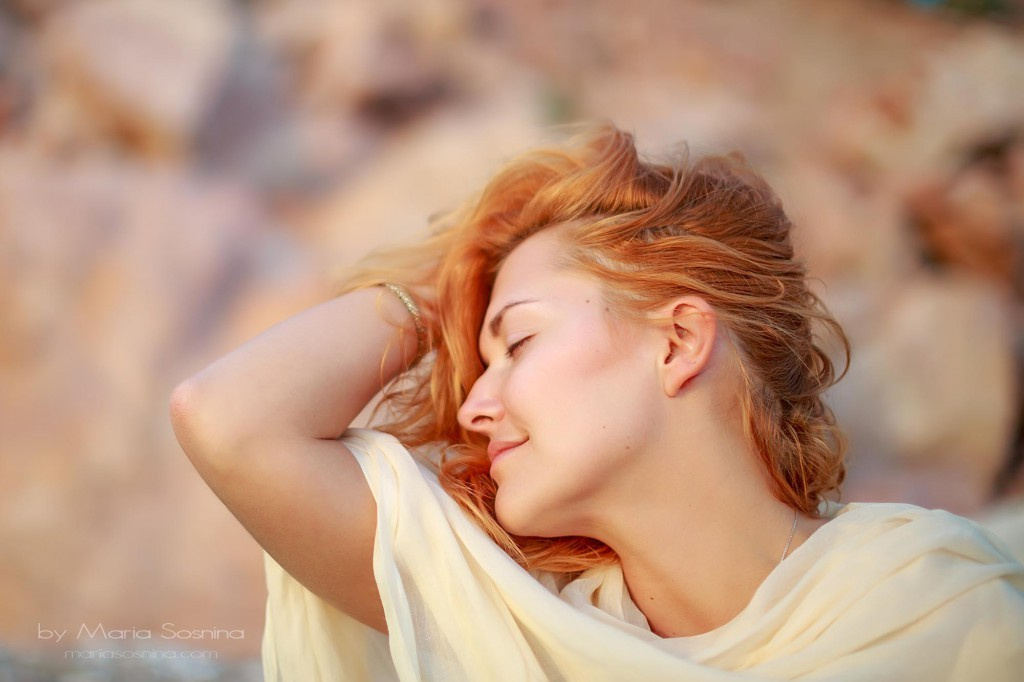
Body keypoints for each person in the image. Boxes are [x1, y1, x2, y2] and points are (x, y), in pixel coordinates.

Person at [170, 124, 1024, 681]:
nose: (475, 409)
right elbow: (230, 422)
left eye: (523, 343)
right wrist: (448, 290)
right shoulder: (519, 622)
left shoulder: (941, 616)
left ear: (680, 342)